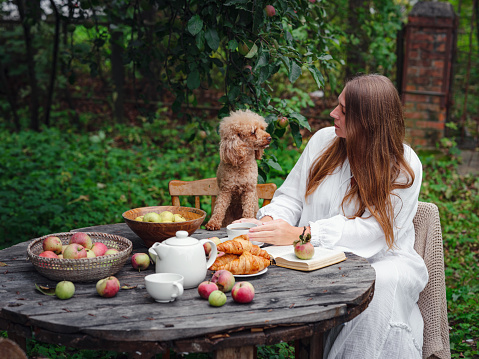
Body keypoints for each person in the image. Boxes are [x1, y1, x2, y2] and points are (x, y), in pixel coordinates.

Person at [233, 74, 429, 358]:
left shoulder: (404, 165)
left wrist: (306, 233)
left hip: (381, 260)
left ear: (369, 121)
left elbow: (374, 231)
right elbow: (291, 196)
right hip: (314, 257)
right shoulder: (324, 141)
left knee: (378, 287)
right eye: (338, 105)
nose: (332, 113)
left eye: (344, 111)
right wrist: (270, 221)